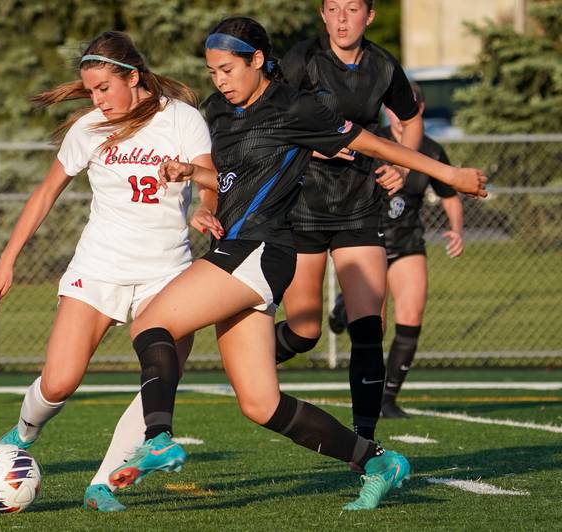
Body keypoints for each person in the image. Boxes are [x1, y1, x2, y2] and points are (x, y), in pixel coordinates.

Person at [110, 16, 486, 511]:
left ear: (258, 61)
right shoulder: (221, 112)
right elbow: (233, 171)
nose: (219, 79)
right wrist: (193, 175)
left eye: (227, 69)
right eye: (211, 71)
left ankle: (158, 437)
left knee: (152, 320)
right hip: (241, 247)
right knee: (261, 404)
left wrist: (449, 173)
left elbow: (372, 143)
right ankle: (378, 461)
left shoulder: (295, 107)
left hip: (261, 249)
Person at [0, 31, 217, 512]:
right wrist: (6, 260)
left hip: (166, 272)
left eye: (104, 88)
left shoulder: (182, 118)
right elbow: (45, 193)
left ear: (133, 77)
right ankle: (22, 434)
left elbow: (211, 177)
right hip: (99, 266)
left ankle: (103, 484)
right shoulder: (88, 129)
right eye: (90, 90)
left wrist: (202, 204)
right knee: (60, 381)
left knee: (158, 382)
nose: (97, 99)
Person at [274, 0, 424, 441]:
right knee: (304, 330)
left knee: (367, 327)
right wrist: (311, 146)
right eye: (334, 9)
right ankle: (250, 357)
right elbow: (270, 118)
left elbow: (411, 120)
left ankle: (365, 443)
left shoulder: (382, 65)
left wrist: (405, 167)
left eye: (353, 9)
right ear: (322, 15)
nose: (343, 19)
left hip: (360, 205)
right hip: (303, 204)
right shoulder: (302, 59)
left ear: (369, 16)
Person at [330, 84, 465, 419]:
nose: (398, 112)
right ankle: (346, 306)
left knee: (412, 314)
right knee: (377, 322)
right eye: (392, 106)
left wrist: (456, 229)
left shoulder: (431, 151)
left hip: (407, 240)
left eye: (408, 105)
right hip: (369, 237)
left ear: (419, 109)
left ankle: (387, 398)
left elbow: (448, 192)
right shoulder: (374, 142)